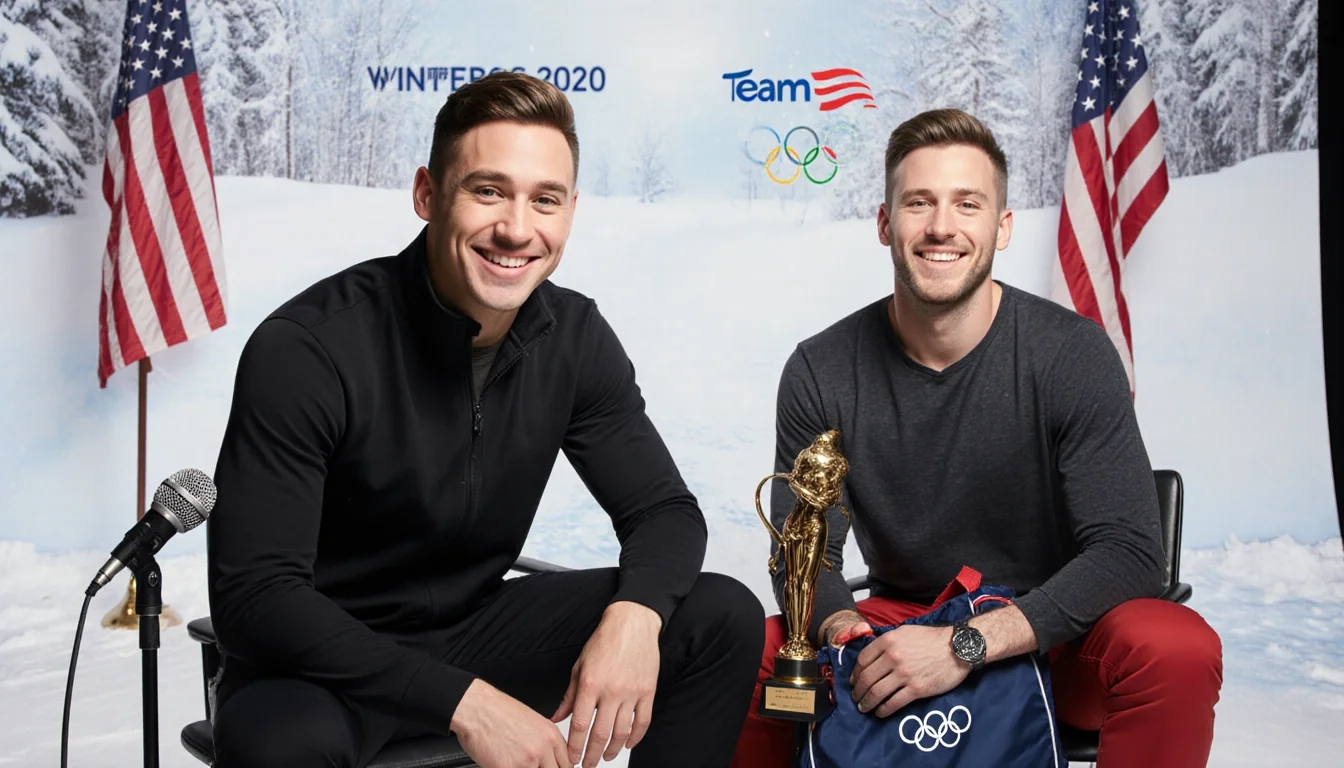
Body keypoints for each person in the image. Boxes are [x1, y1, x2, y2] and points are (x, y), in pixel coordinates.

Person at [207, 71, 764, 768]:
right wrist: (465, 701)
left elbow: (665, 512)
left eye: (545, 200)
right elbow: (257, 598)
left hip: (475, 629)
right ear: (427, 194)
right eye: (488, 190)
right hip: (322, 664)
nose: (517, 228)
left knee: (718, 616)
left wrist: (635, 617)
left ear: (570, 211)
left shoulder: (576, 335)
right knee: (279, 745)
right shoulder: (308, 348)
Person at [731, 109, 1223, 767]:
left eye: (968, 204)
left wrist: (966, 644)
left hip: (1056, 631)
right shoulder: (822, 369)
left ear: (1003, 226)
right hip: (904, 619)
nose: (941, 226)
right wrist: (850, 641)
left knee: (1174, 646)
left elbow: (1132, 552)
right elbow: (806, 551)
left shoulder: (1070, 354)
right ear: (885, 223)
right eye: (918, 202)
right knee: (747, 649)